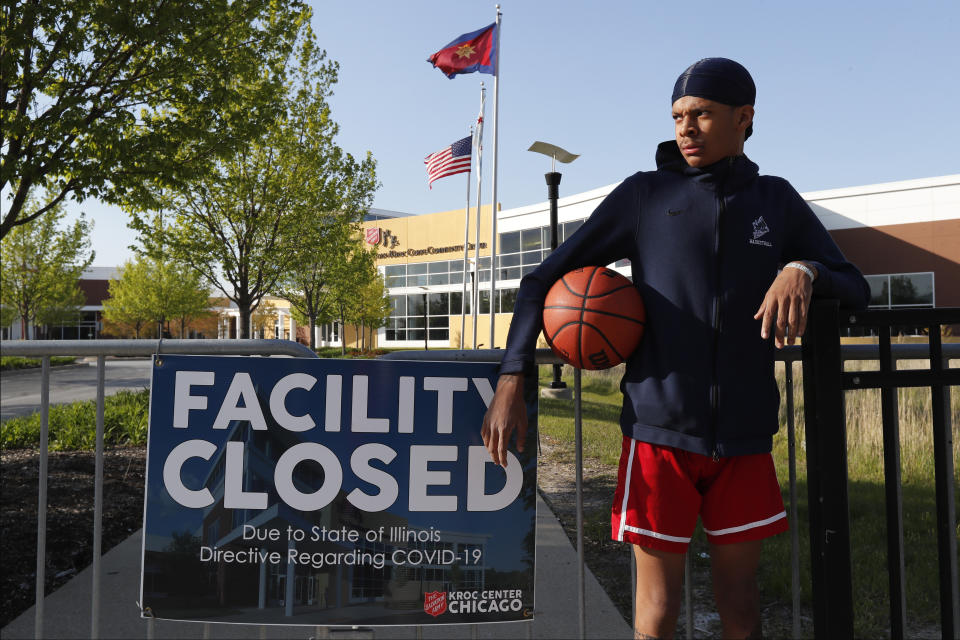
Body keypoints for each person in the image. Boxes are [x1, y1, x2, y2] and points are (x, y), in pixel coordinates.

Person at [481, 57, 870, 639]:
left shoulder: (775, 201)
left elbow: (856, 285)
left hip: (744, 436)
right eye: (678, 116)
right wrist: (513, 377)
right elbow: (541, 278)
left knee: (741, 607)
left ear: (744, 118)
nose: (685, 128)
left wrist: (805, 268)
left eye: (702, 115)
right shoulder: (645, 195)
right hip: (658, 436)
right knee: (657, 614)